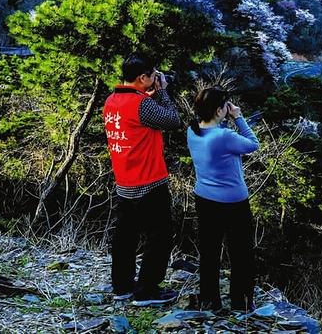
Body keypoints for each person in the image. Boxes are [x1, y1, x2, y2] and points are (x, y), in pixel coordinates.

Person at [103, 53, 181, 306]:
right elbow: (172, 120)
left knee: (125, 237)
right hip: (149, 181)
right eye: (153, 74)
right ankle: (147, 291)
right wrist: (163, 92)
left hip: (124, 181)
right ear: (143, 78)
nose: (156, 78)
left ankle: (122, 286)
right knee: (159, 237)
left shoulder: (112, 101)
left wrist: (152, 93)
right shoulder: (141, 105)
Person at [187, 87, 260, 312]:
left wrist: (222, 119)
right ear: (220, 110)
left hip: (204, 198)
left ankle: (210, 300)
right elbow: (253, 144)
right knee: (241, 253)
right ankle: (242, 302)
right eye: (226, 106)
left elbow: (218, 139)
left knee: (209, 251)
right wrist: (238, 117)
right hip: (233, 203)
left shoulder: (192, 131)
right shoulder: (225, 136)